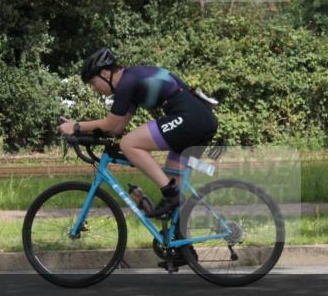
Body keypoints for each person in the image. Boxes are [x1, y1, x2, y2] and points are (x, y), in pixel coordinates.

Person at [58, 47, 218, 218]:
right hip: (199, 118)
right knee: (172, 181)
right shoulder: (132, 82)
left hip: (191, 117)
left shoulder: (128, 81)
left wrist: (76, 126)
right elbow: (116, 128)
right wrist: (87, 136)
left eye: (92, 83)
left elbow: (111, 123)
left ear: (105, 73)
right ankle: (180, 242)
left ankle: (170, 195)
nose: (93, 89)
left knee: (129, 143)